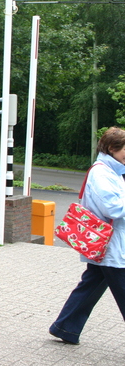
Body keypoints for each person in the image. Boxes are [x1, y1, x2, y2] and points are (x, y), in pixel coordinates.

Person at [49, 127, 125, 345]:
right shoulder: (102, 173)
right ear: (112, 148)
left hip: (107, 245)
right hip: (111, 246)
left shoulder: (112, 171)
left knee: (90, 285)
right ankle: (65, 326)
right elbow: (112, 208)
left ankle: (65, 327)